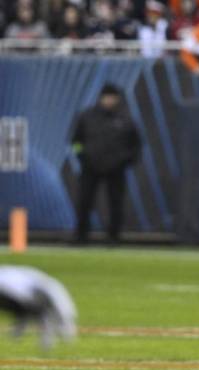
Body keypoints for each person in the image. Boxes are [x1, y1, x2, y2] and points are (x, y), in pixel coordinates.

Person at [70, 84, 141, 244]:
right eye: (107, 97)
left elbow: (135, 145)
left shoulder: (125, 119)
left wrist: (125, 161)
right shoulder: (87, 116)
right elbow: (76, 141)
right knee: (84, 202)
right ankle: (81, 235)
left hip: (116, 169)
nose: (109, 100)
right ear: (101, 97)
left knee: (116, 203)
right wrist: (83, 156)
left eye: (113, 97)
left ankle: (114, 236)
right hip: (90, 167)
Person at [0, 266, 77, 350]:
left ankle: (49, 337)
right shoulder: (49, 287)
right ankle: (51, 337)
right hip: (17, 288)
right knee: (38, 312)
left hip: (18, 288)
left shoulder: (47, 287)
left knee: (37, 312)